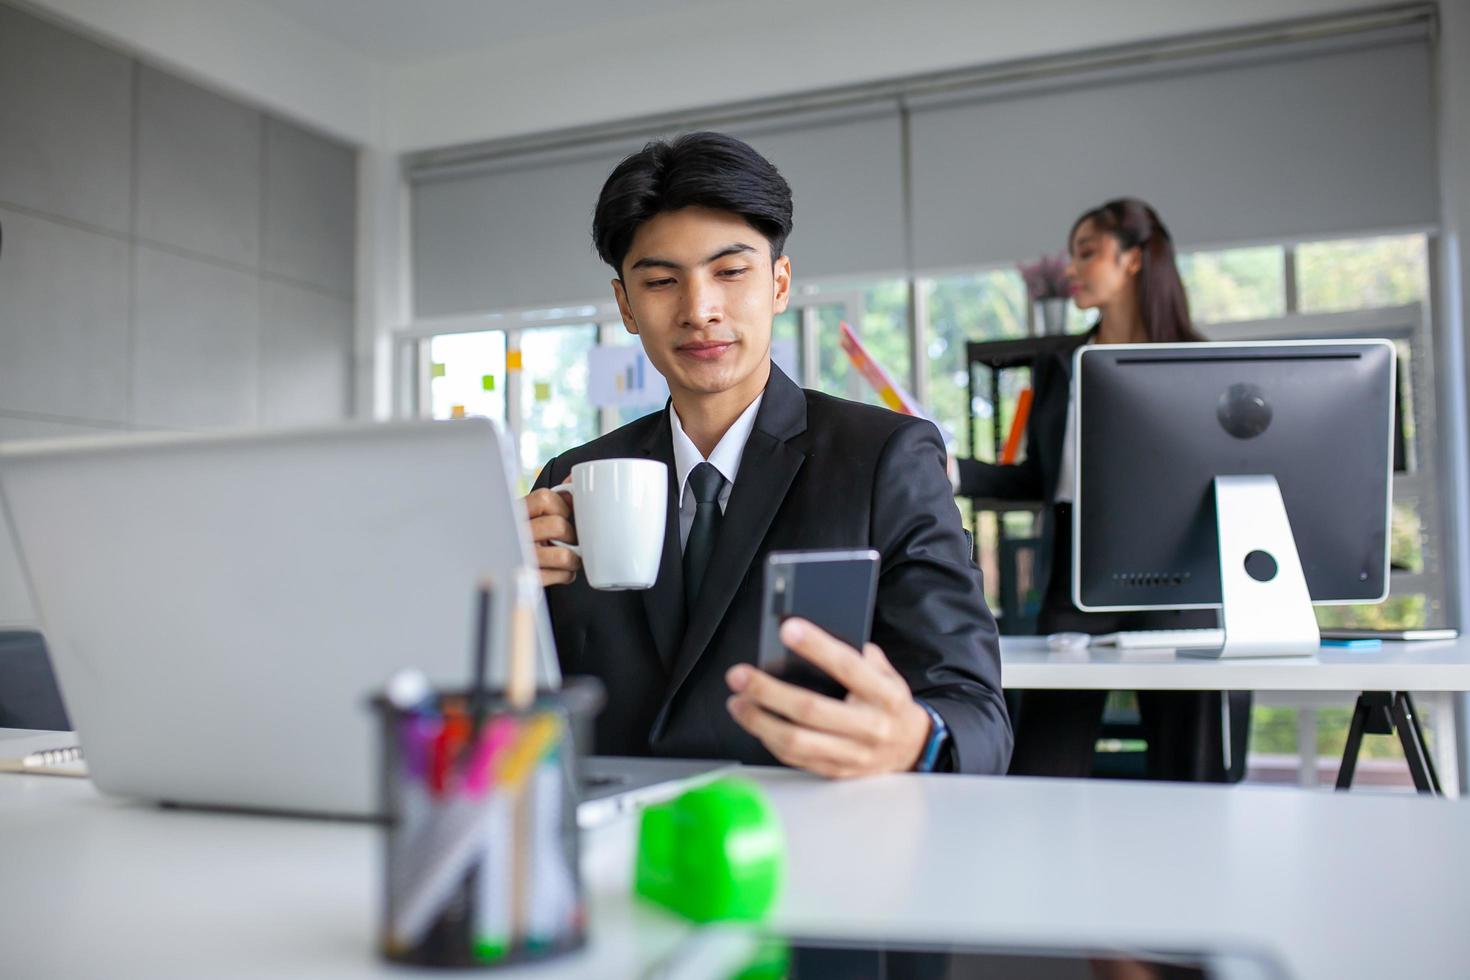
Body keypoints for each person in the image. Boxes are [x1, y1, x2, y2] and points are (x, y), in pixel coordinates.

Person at [523, 132, 1011, 777]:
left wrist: (919, 738)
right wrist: (500, 595)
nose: (700, 310)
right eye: (663, 281)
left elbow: (975, 710)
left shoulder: (884, 459)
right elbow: (518, 709)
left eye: (730, 272)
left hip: (805, 839)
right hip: (615, 844)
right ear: (626, 306)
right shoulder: (571, 482)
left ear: (779, 283)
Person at [953, 197, 1249, 781]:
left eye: (1087, 252)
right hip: (1076, 575)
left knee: (1188, 774)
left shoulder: (1196, 360)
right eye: (1072, 254)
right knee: (1041, 764)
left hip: (1178, 582)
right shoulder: (1060, 362)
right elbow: (1039, 479)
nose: (1072, 268)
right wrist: (952, 470)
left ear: (1134, 259)